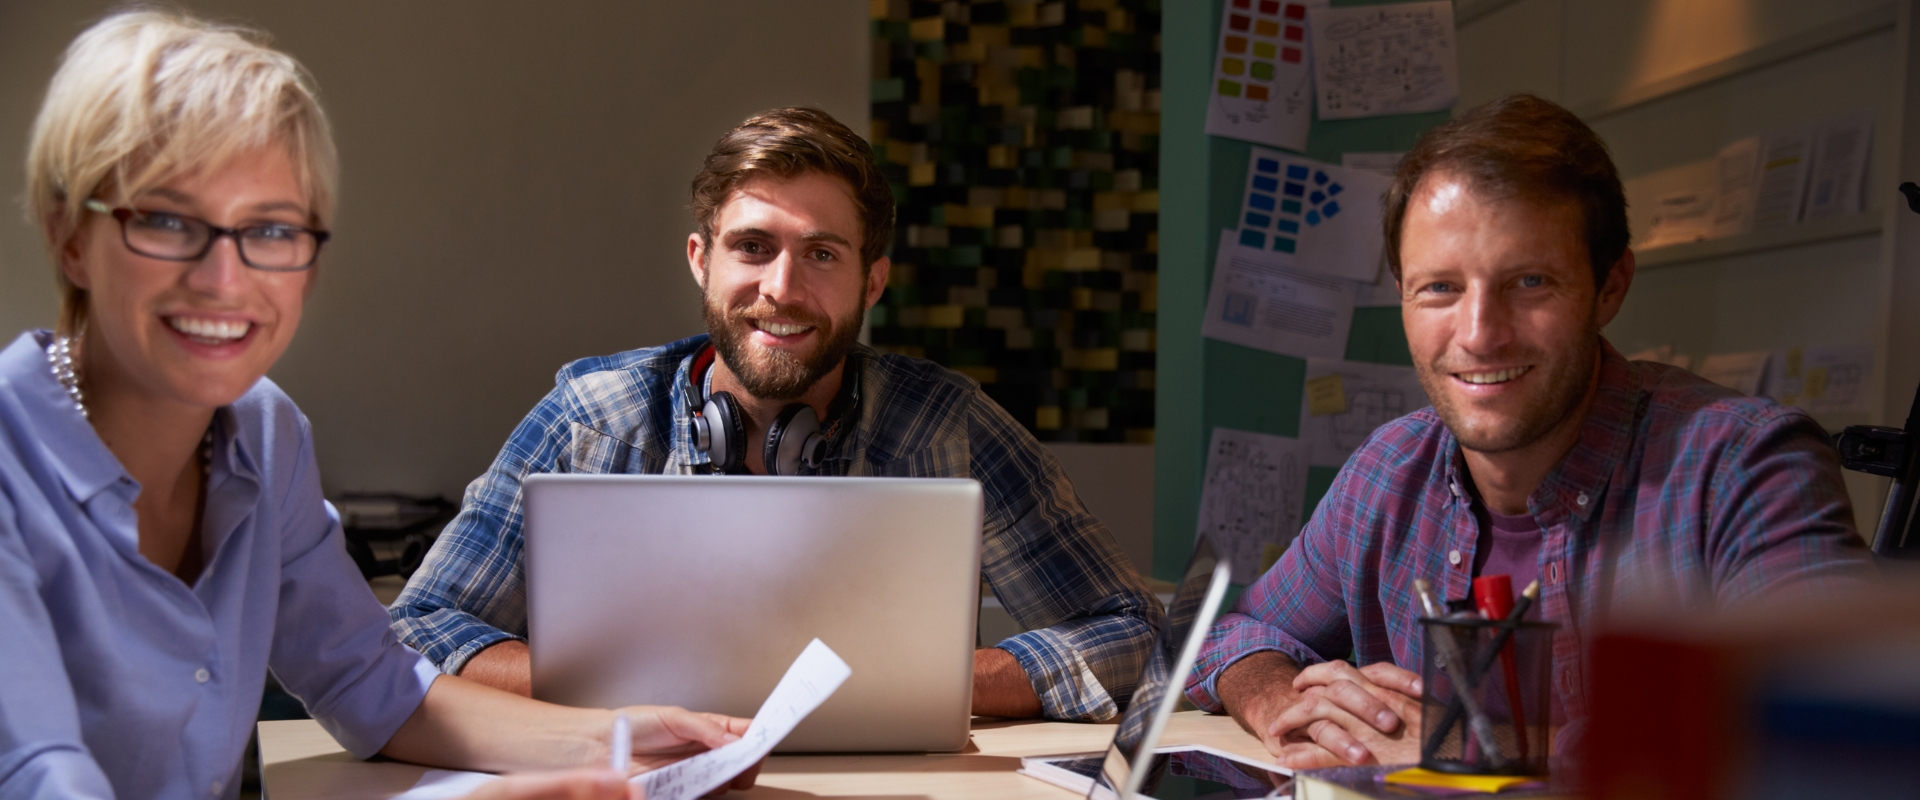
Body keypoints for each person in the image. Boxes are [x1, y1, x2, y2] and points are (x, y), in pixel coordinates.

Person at [0, 11, 758, 799]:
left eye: (270, 229)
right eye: (166, 221)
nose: (224, 279)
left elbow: (372, 684)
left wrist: (621, 739)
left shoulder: (264, 432)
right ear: (67, 236)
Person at [390, 107, 1162, 722]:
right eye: (754, 247)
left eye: (822, 253)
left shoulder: (947, 425)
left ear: (873, 282)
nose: (783, 289)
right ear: (702, 260)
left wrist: (925, 685)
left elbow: (1134, 628)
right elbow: (418, 626)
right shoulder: (591, 418)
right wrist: (643, 693)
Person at [1183, 95, 1876, 769]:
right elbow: (1233, 634)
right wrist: (1281, 699)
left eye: (1530, 282)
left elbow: (1833, 726)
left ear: (1610, 286)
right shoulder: (1387, 471)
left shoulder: (1745, 466)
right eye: (1440, 288)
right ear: (1402, 296)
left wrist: (1473, 745)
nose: (1480, 334)